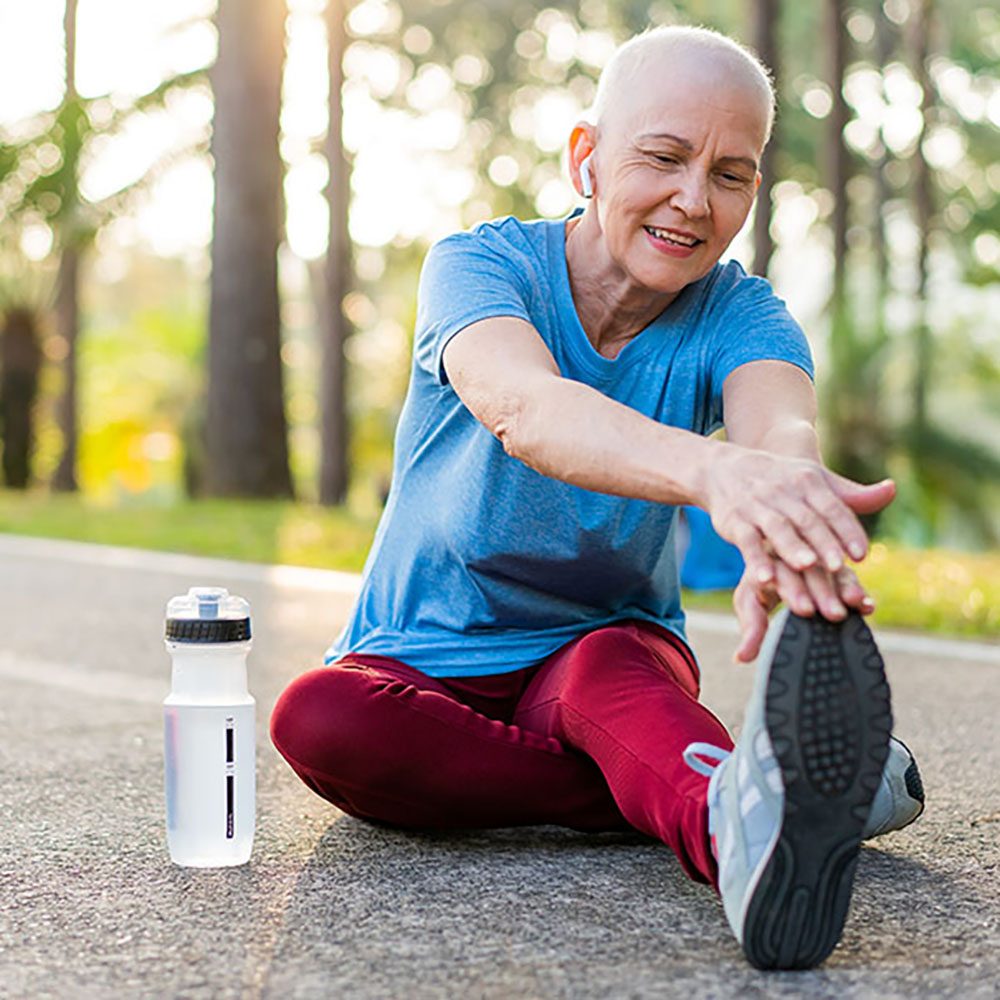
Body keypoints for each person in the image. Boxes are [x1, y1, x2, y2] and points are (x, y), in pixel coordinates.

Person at [271, 25, 924, 970]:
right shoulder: (482, 267)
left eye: (732, 174)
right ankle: (751, 789)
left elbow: (779, 429)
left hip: (603, 651)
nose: (693, 201)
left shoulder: (743, 313)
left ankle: (732, 832)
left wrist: (785, 503)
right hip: (420, 662)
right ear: (586, 156)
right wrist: (714, 474)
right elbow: (528, 408)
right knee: (320, 718)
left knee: (609, 677)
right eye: (663, 158)